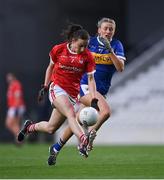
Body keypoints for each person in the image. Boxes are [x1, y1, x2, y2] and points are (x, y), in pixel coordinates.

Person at [48, 17, 126, 166]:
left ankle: (56, 148)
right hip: (85, 85)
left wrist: (110, 50)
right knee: (105, 111)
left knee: (77, 119)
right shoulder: (89, 43)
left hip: (100, 91)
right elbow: (73, 58)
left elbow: (120, 68)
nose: (108, 31)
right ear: (99, 30)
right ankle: (89, 137)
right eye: (105, 28)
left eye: (111, 29)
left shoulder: (116, 45)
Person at [17, 23, 98, 157]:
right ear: (73, 41)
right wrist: (45, 86)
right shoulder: (58, 49)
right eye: (81, 45)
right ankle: (83, 139)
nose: (83, 48)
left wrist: (93, 98)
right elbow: (50, 67)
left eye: (86, 46)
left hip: (72, 94)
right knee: (71, 114)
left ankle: (29, 127)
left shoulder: (88, 56)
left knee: (51, 128)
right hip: (57, 88)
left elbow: (91, 79)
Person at [5, 73, 26, 144]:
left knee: (11, 123)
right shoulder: (11, 85)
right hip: (13, 107)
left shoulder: (16, 84)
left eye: (10, 77)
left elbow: (18, 96)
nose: (8, 79)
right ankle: (19, 138)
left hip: (16, 107)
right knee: (13, 124)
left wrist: (16, 108)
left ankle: (19, 138)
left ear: (13, 77)